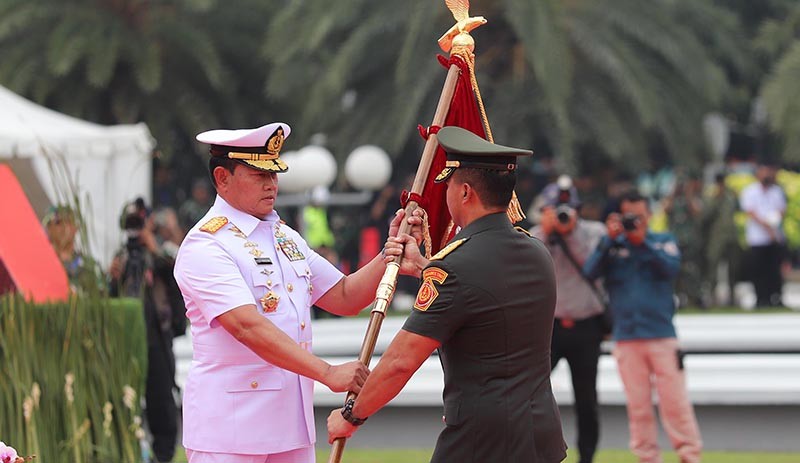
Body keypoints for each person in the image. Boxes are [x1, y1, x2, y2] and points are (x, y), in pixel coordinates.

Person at [173, 122, 414, 463]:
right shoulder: (207, 244)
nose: (271, 184)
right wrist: (327, 373)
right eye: (258, 174)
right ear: (222, 178)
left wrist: (388, 256)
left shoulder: (284, 236)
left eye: (274, 173)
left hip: (290, 427)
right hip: (230, 432)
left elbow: (344, 295)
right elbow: (247, 327)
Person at [327, 126, 567, 463]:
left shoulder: (454, 268)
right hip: (540, 436)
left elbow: (400, 362)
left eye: (450, 185)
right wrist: (425, 267)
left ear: (465, 192)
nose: (447, 194)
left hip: (481, 442)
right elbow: (487, 297)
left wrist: (352, 416)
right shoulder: (535, 251)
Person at [584, 190, 702, 463]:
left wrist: (641, 243)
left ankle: (689, 456)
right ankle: (647, 458)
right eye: (629, 216)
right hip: (626, 337)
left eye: (638, 216)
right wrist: (608, 240)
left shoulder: (663, 241)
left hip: (661, 336)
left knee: (675, 403)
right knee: (638, 407)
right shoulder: (612, 247)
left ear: (649, 215)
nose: (633, 221)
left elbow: (672, 268)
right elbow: (589, 273)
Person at [530, 175, 607, 463]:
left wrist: (571, 233)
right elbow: (533, 267)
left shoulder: (594, 232)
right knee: (531, 393)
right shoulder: (536, 236)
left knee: (587, 400)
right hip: (549, 329)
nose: (563, 215)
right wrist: (550, 233)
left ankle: (587, 458)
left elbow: (593, 268)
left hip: (587, 326)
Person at [109, 198, 185, 463]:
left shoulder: (163, 252)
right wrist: (113, 277)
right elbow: (111, 298)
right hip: (127, 339)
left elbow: (181, 277)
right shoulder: (121, 256)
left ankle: (163, 455)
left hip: (157, 337)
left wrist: (155, 251)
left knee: (160, 397)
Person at [739, 162, 787, 307]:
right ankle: (761, 299)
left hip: (775, 239)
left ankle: (776, 298)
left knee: (774, 270)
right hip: (757, 238)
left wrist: (774, 227)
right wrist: (768, 228)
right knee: (758, 270)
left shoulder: (777, 191)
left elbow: (781, 210)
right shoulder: (750, 192)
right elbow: (751, 212)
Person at [662, 171, 706, 308]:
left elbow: (697, 211)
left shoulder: (693, 198)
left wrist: (688, 193)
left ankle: (695, 298)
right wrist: (672, 192)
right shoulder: (671, 200)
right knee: (675, 271)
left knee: (692, 271)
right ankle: (677, 298)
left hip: (690, 241)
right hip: (674, 240)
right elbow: (665, 209)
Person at [701, 172, 741, 306]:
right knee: (713, 266)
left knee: (733, 268)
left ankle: (732, 297)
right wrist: (715, 199)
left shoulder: (731, 195)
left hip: (731, 236)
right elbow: (705, 216)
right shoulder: (711, 196)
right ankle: (712, 297)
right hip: (716, 237)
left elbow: (738, 208)